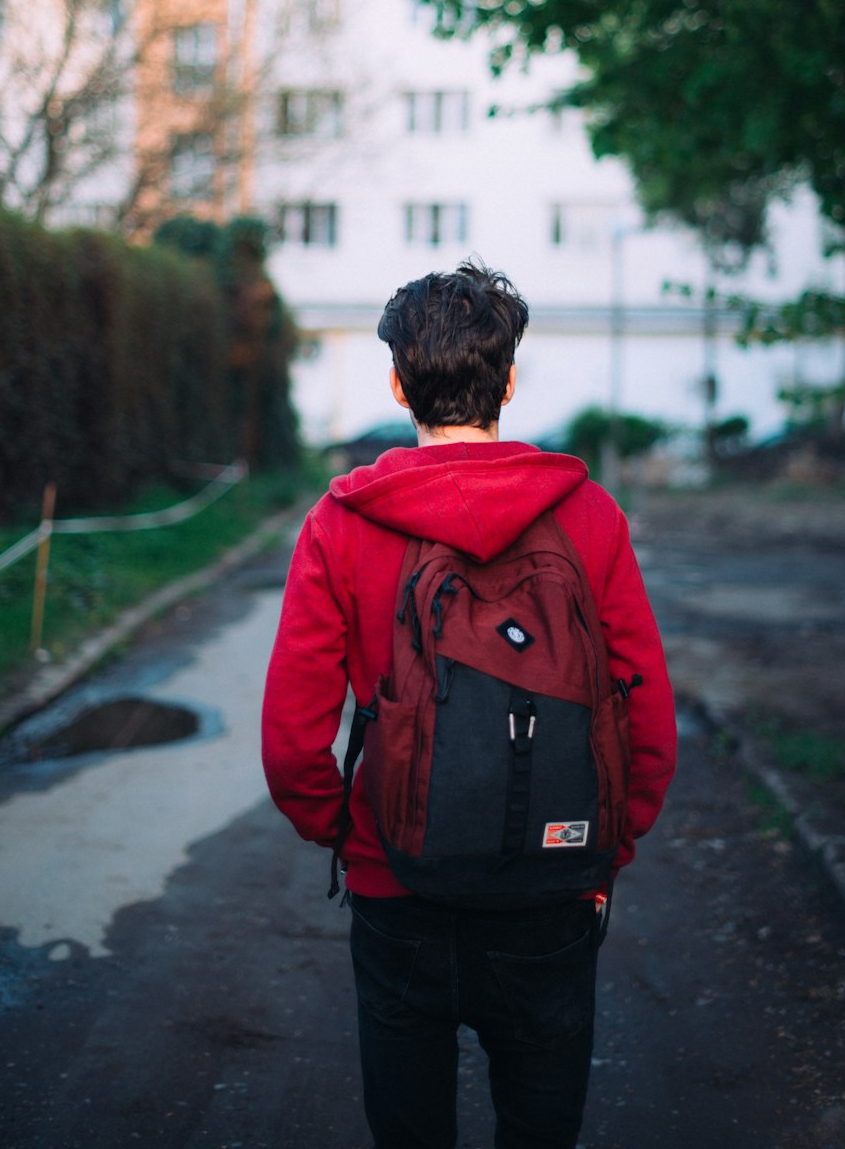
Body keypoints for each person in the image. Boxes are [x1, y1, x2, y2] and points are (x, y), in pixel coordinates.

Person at [262, 259, 676, 1149]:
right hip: (553, 888)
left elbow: (293, 741)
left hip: (395, 881)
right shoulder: (590, 516)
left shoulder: (342, 523)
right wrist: (607, 849)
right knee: (540, 1126)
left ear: (399, 383)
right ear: (510, 381)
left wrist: (351, 834)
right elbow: (646, 717)